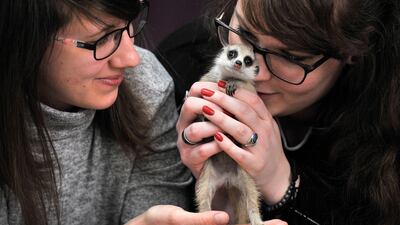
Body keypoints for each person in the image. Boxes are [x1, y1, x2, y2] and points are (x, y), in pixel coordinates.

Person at [0, 0, 259, 225]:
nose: (131, 58)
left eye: (128, 26)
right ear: (25, 37)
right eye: (102, 39)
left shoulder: (147, 85)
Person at [176, 0, 400, 224]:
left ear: (355, 50)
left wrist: (282, 185)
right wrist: (223, 195)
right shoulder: (185, 60)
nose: (254, 72)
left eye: (290, 57)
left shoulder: (386, 128)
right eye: (245, 33)